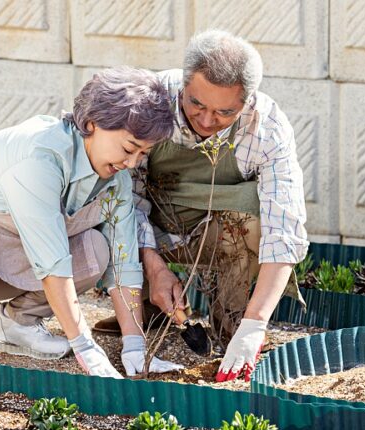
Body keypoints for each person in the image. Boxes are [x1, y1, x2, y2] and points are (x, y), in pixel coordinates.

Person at [0, 67, 184, 378]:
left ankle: (19, 323)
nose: (132, 163)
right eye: (128, 148)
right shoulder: (39, 156)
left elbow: (124, 263)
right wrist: (84, 346)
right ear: (93, 122)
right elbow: (51, 262)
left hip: (11, 251)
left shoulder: (115, 179)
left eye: (142, 153)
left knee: (97, 250)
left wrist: (134, 345)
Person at [93, 30, 309, 382]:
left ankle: (234, 328)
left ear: (247, 101)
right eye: (197, 104)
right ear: (183, 84)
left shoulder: (267, 126)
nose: (207, 121)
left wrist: (256, 324)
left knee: (252, 223)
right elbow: (123, 202)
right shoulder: (150, 101)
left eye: (225, 111)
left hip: (212, 234)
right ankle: (146, 306)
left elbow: (284, 230)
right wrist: (154, 267)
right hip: (151, 232)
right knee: (97, 224)